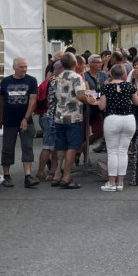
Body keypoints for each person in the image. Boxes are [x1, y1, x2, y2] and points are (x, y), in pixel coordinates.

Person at [51, 52, 95, 190]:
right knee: (72, 146)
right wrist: (90, 100)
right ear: (75, 63)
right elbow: (81, 96)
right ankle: (67, 177)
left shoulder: (57, 77)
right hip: (73, 115)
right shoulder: (76, 77)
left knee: (61, 145)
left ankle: (58, 173)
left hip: (59, 115)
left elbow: (53, 96)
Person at [98, 64, 138, 192]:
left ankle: (111, 182)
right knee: (123, 151)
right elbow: (136, 102)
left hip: (112, 119)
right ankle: (120, 183)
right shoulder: (130, 86)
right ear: (124, 75)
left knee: (112, 152)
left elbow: (102, 106)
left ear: (111, 74)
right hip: (128, 119)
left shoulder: (106, 87)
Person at [0, 57, 39, 189]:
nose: (24, 69)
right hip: (9, 120)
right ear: (14, 67)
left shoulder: (31, 81)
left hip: (26, 120)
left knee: (27, 146)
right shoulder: (5, 81)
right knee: (7, 148)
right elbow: (1, 101)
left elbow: (33, 100)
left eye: (26, 66)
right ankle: (6, 175)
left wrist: (26, 118)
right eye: (21, 67)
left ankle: (28, 175)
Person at [36, 62, 60, 183]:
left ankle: (52, 172)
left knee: (53, 146)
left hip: (45, 115)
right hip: (51, 116)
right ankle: (40, 172)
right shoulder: (55, 82)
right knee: (48, 146)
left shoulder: (48, 80)